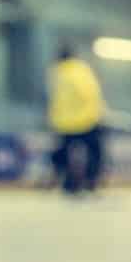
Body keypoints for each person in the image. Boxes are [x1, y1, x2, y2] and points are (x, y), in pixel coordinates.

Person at [48, 43, 106, 197]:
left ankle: (68, 184)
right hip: (85, 119)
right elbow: (89, 93)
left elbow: (55, 99)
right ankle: (90, 183)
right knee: (95, 152)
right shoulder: (80, 70)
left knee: (64, 152)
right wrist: (98, 113)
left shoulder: (57, 74)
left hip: (63, 122)